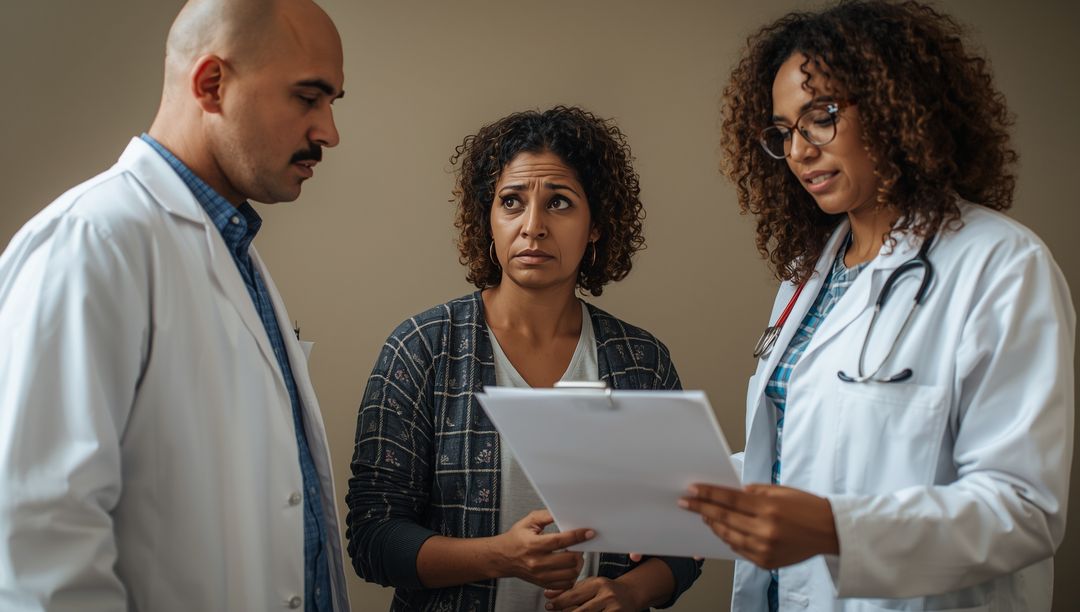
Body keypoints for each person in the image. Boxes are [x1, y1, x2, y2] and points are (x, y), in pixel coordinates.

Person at [678, 1, 1075, 610]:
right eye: (784, 131)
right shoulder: (805, 276)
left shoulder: (1000, 265)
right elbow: (795, 454)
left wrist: (838, 530)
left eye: (822, 117)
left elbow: (1022, 511)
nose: (800, 151)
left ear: (897, 107)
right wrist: (658, 488)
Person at [0, 1, 349, 610]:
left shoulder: (232, 249)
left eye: (331, 103)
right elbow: (35, 545)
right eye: (307, 97)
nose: (328, 132)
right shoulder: (90, 242)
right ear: (212, 84)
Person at [345, 106, 701, 612]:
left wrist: (630, 591)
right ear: (488, 219)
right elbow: (372, 539)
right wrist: (500, 557)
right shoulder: (422, 347)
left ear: (596, 224)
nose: (532, 227)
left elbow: (685, 536)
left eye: (559, 203)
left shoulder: (641, 362)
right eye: (512, 202)